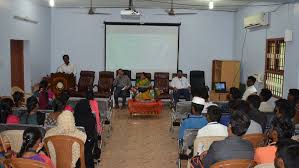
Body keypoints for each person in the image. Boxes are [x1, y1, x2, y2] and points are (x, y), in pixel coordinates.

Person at [74, 99, 99, 168]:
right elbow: (92, 133)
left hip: (74, 142)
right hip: (86, 145)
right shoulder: (91, 119)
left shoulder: (73, 118)